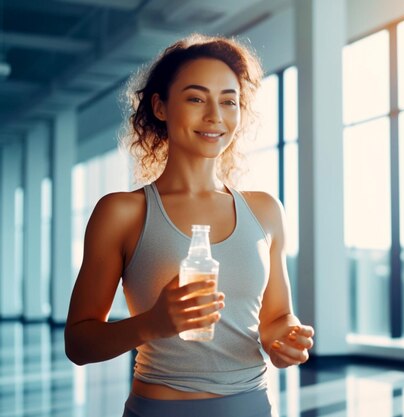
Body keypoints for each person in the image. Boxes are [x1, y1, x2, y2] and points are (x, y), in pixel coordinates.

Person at [64, 33, 314, 417]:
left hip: (252, 407)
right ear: (161, 107)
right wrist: (151, 324)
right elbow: (79, 344)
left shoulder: (265, 211)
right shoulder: (122, 213)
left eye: (228, 101)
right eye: (196, 98)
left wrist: (286, 339)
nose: (215, 116)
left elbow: (276, 318)